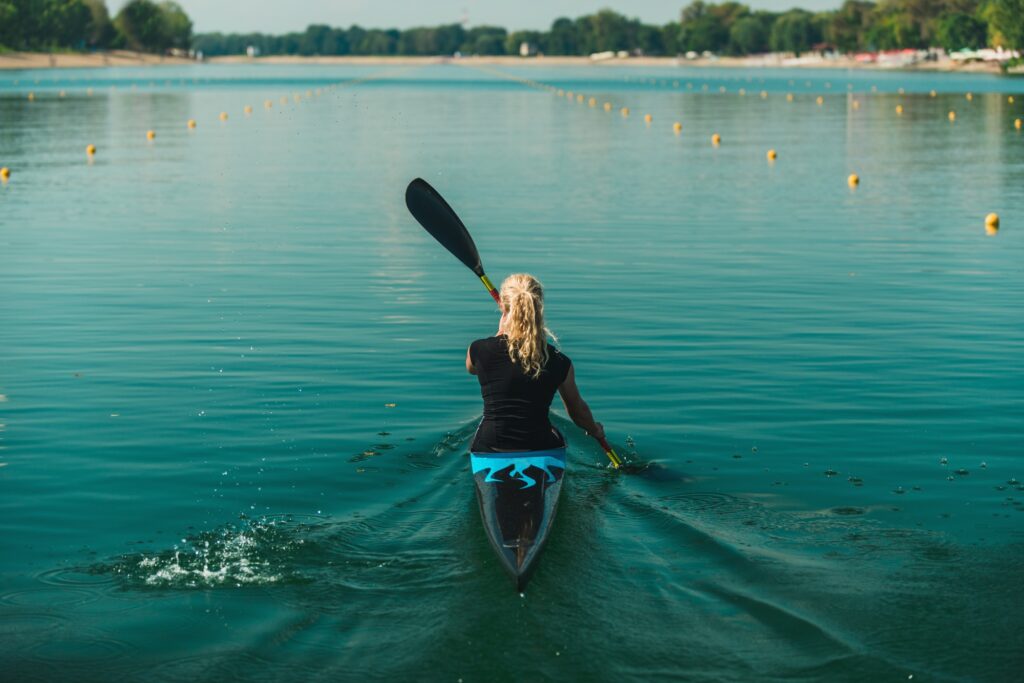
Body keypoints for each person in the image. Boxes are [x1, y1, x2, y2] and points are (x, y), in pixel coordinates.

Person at [467, 273, 605, 453]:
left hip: (489, 446)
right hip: (541, 445)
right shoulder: (560, 361)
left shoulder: (479, 349)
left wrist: (498, 334)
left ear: (503, 306)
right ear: (538, 306)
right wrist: (594, 429)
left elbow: (472, 369)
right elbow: (577, 412)